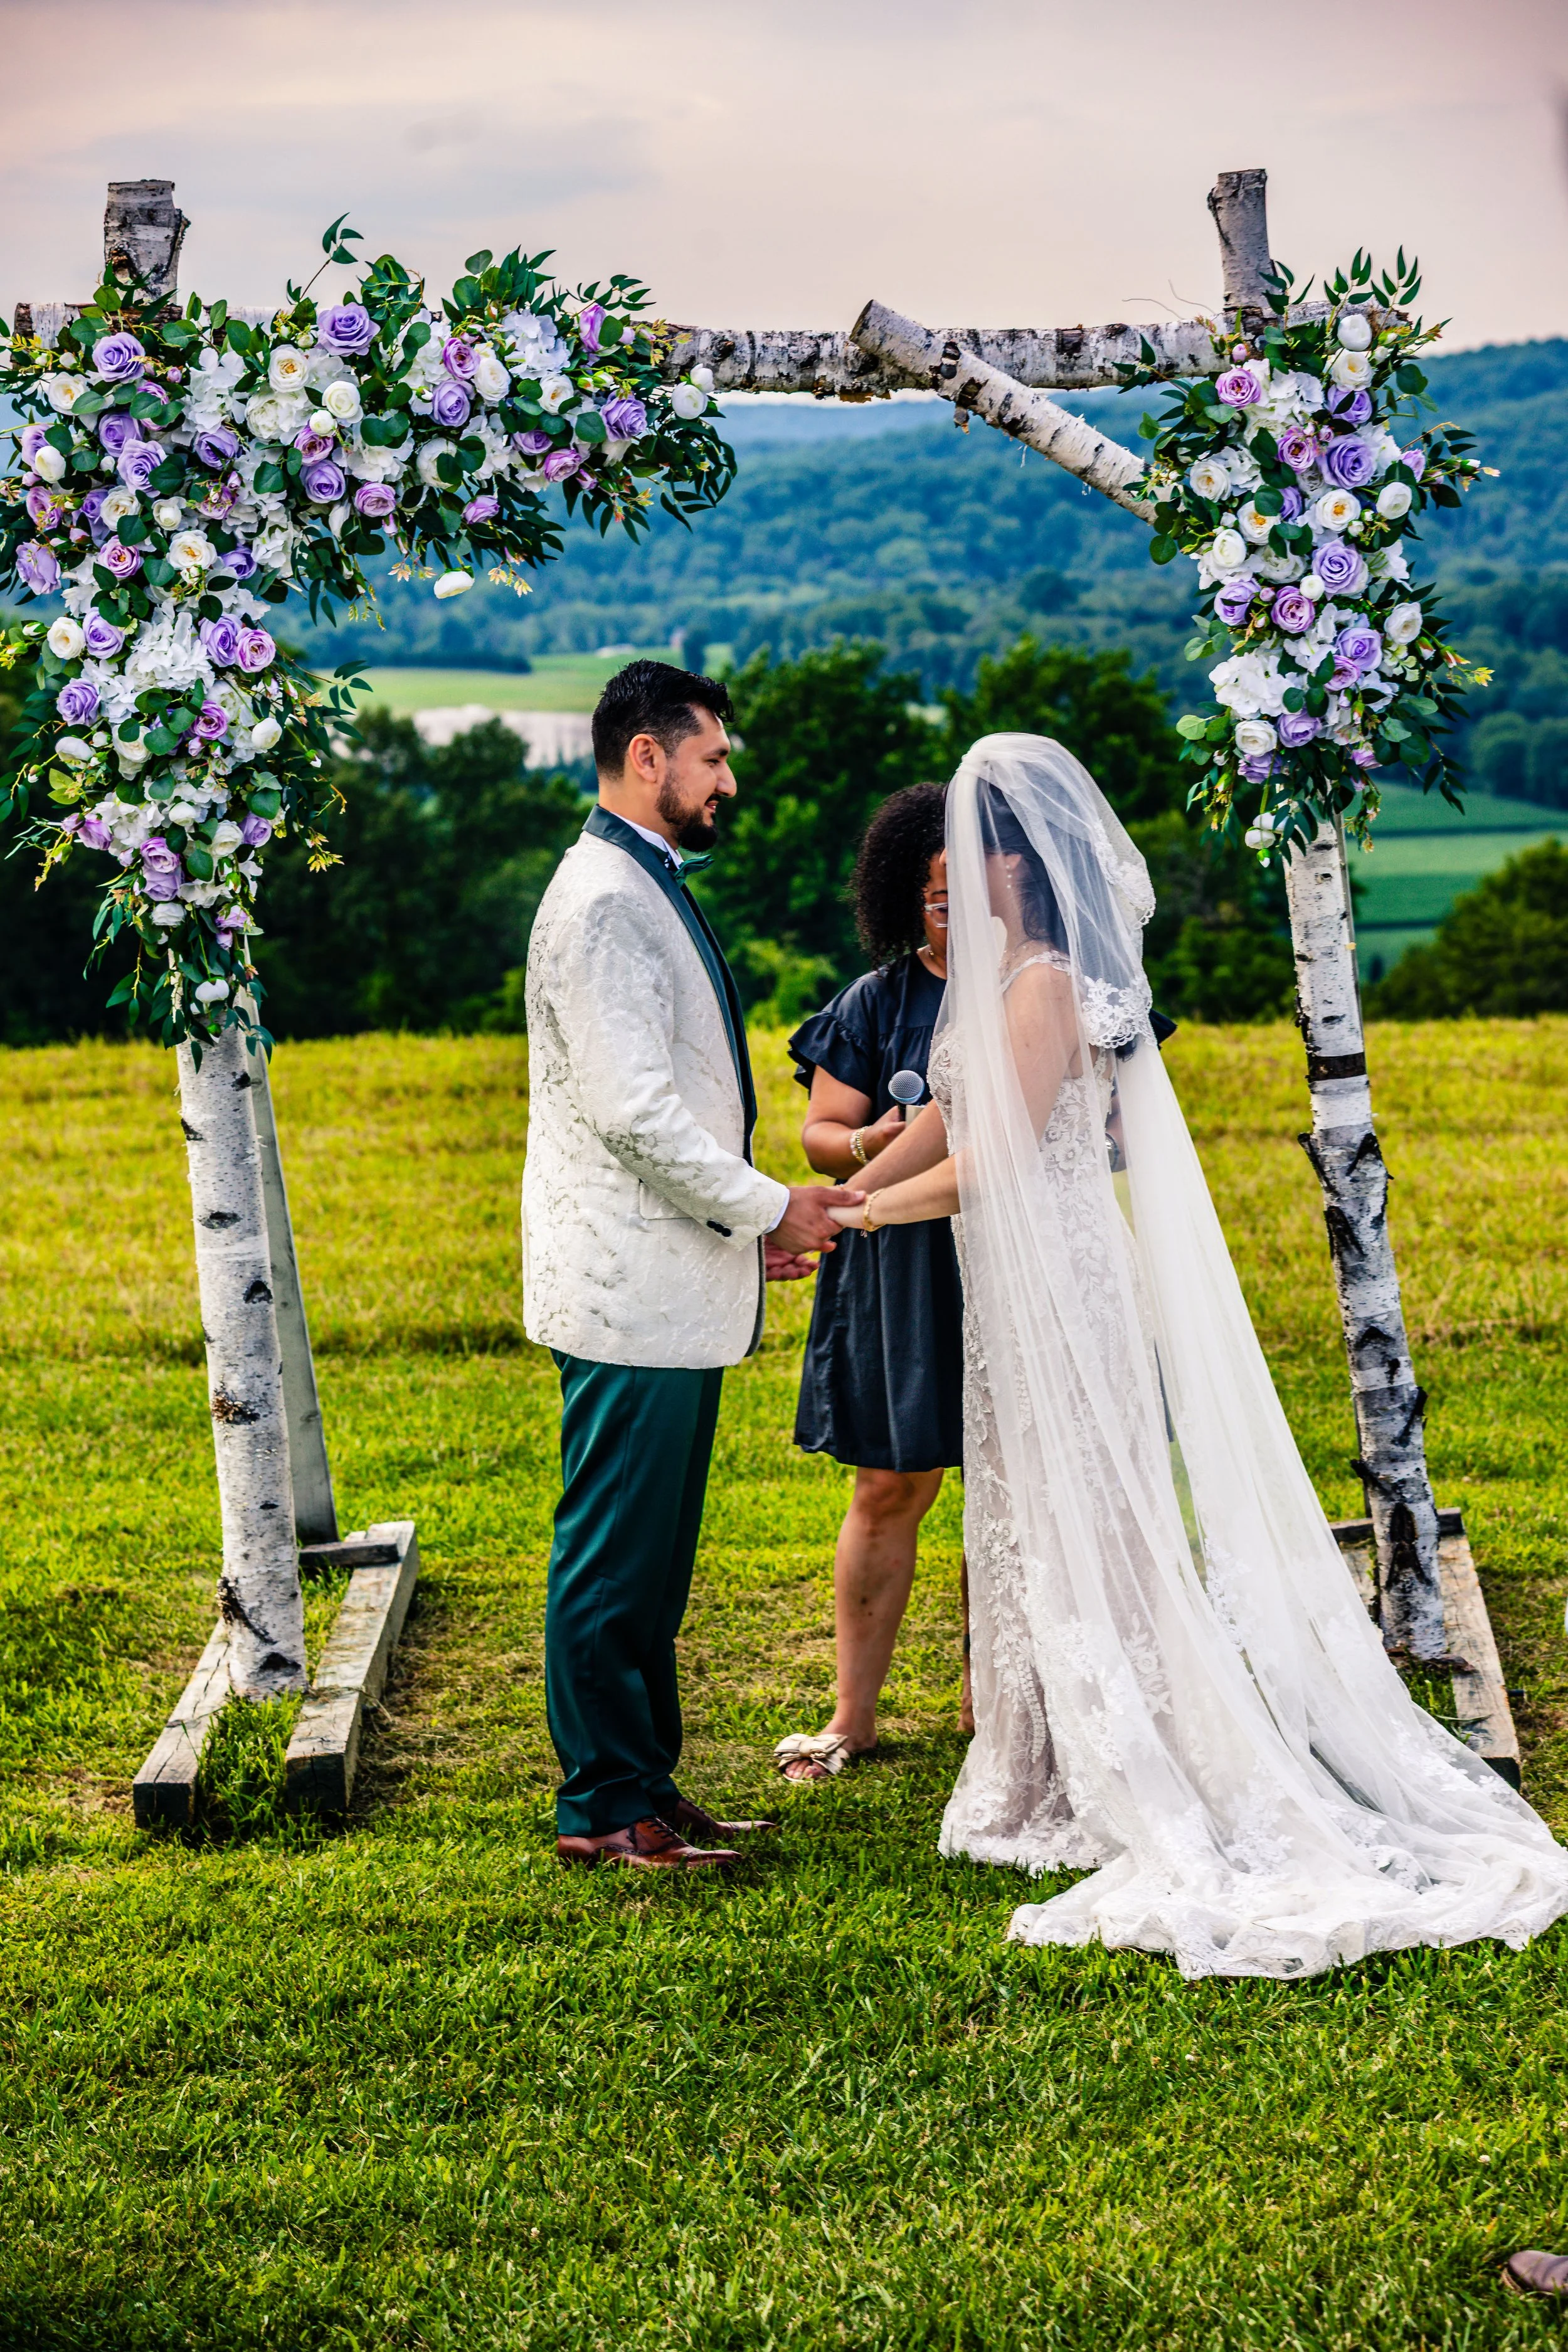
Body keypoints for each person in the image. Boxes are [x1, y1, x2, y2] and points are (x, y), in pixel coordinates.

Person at [828, 732, 1568, 1977]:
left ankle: (1136, 1751)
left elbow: (1004, 1155)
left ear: (1010, 859)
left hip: (1057, 1273)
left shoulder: (1048, 982)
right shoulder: (1004, 975)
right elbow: (951, 1112)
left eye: (970, 845)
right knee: (1026, 1506)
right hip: (1007, 1289)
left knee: (1090, 1512)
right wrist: (861, 1173)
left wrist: (857, 1219)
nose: (950, 869)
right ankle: (1039, 1755)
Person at [522, 660, 862, 1872]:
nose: (729, 778)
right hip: (627, 1289)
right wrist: (774, 1207)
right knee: (614, 1556)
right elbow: (636, 1114)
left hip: (666, 1275)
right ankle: (601, 1808)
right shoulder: (608, 898)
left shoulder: (637, 881)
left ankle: (647, 1787)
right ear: (648, 757)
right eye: (713, 757)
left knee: (652, 1564)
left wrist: (743, 1226)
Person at [773, 784, 970, 1784]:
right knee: (892, 1481)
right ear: (906, 898)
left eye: (973, 889)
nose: (959, 912)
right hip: (901, 1263)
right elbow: (817, 1133)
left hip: (1014, 1256)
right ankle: (853, 1717)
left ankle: (999, 1707)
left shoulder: (1038, 985)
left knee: (1019, 1493)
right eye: (940, 898)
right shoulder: (875, 1001)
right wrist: (863, 1143)